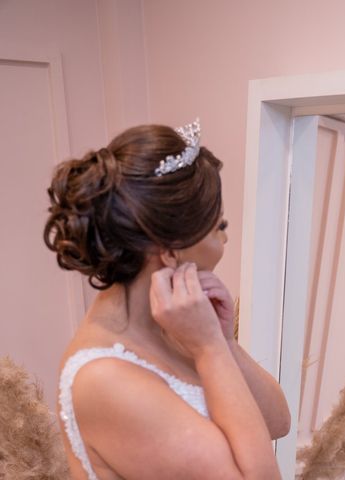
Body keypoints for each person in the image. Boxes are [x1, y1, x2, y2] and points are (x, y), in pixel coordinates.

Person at [44, 119, 290, 479]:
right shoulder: (105, 379)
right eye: (219, 228)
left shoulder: (178, 323)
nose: (225, 241)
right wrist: (209, 350)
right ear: (171, 252)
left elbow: (277, 422)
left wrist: (224, 342)